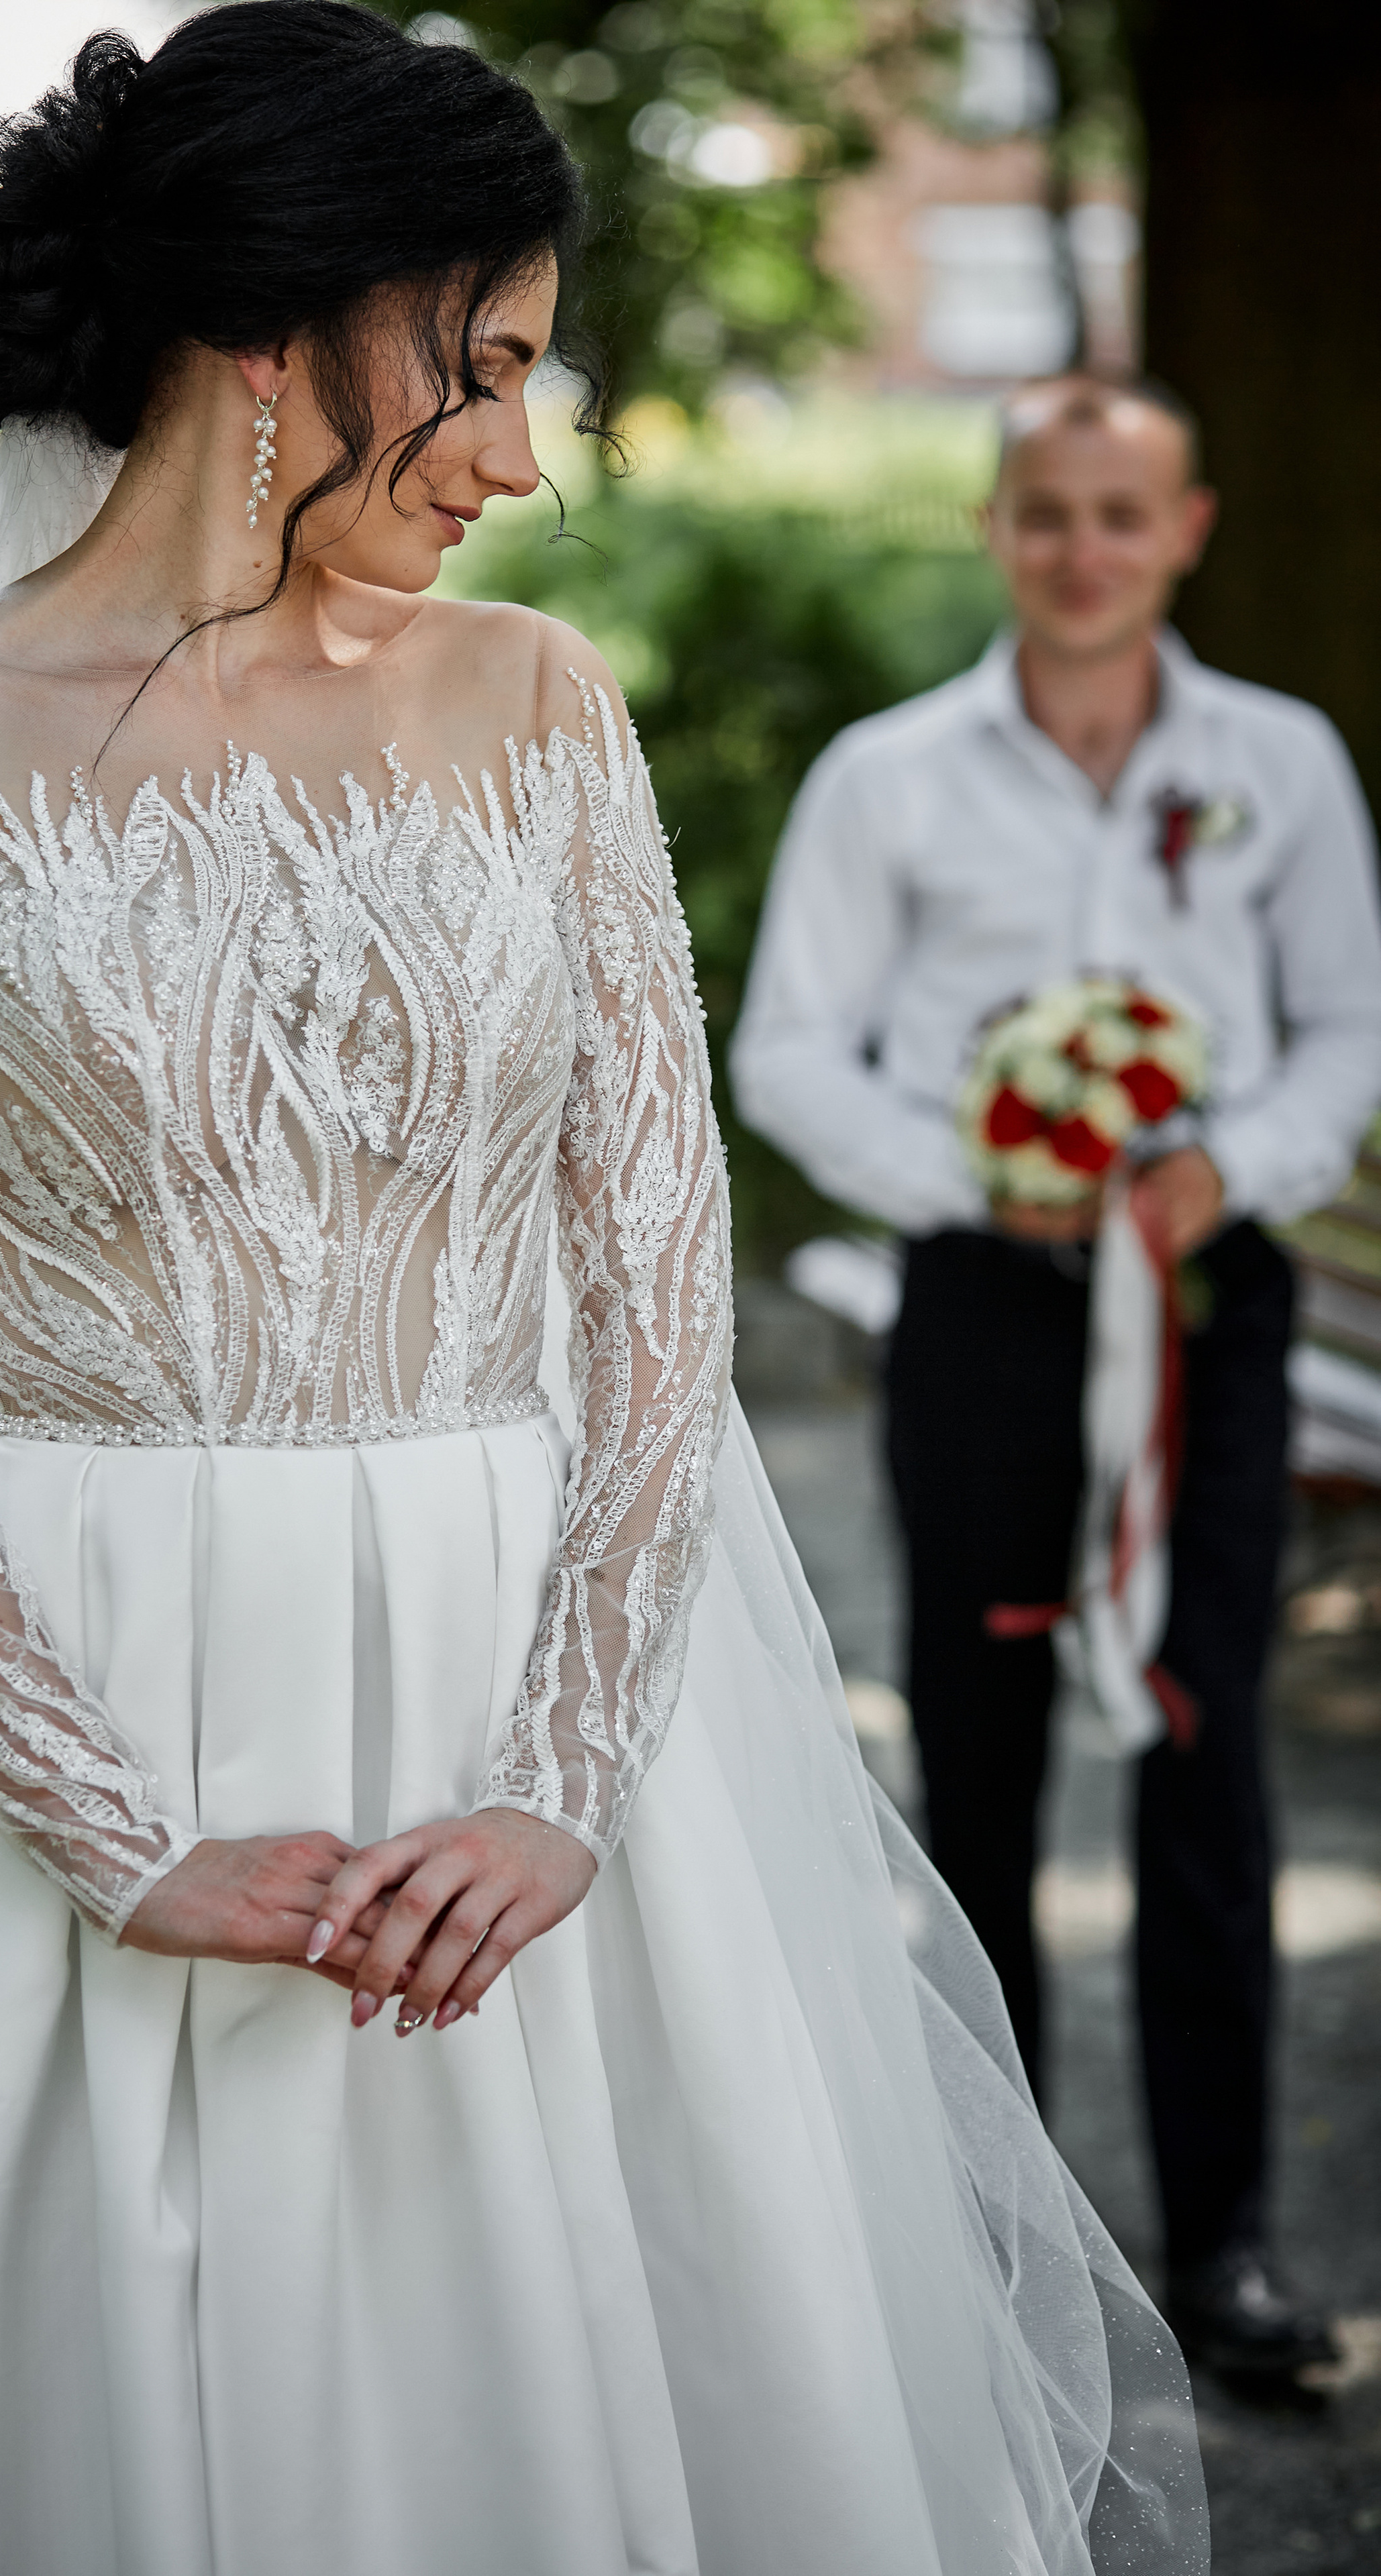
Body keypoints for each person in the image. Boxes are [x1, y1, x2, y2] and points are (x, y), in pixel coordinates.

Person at [0, 21, 1210, 2569]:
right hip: (67, 1681)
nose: (524, 457)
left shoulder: (540, 710)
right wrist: (108, 1837)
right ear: (282, 328)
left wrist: (553, 1781)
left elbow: (659, 1282)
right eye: (493, 365)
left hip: (536, 1685)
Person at [732, 373, 1381, 2381]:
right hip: (987, 1315)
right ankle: (1000, 2265)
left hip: (1211, 1312)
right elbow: (789, 1053)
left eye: (1123, 512)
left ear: (1186, 528)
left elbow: (1349, 1034)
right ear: (996, 528)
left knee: (1206, 1764)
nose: (1081, 547)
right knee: (979, 1755)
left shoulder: (1279, 760)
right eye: (1044, 511)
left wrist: (1223, 1174)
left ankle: (1229, 2252)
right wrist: (984, 1180)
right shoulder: (890, 777)